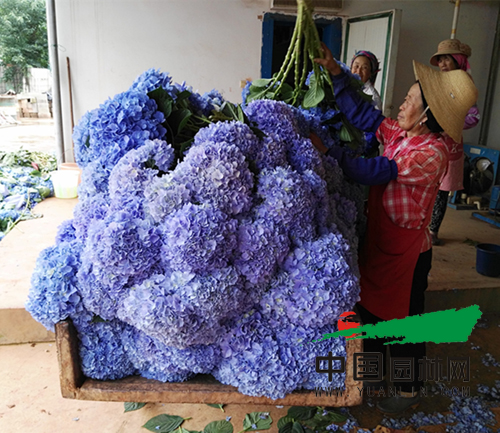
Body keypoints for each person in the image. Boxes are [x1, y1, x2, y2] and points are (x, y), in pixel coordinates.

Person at [313, 44, 477, 414]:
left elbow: (373, 171)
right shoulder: (402, 135)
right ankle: (367, 379)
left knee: (406, 328)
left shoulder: (430, 152)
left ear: (427, 115)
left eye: (408, 100)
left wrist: (328, 152)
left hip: (407, 257)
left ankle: (408, 391)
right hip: (382, 245)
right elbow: (365, 116)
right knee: (369, 316)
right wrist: (337, 74)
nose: (401, 105)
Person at [428, 39, 480, 245]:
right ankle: (422, 227)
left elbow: (473, 117)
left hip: (450, 144)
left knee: (442, 190)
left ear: (458, 60)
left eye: (446, 59)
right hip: (432, 142)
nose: (442, 64)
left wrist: (451, 123)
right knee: (428, 187)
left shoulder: (466, 84)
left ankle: (433, 230)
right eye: (440, 60)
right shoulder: (436, 81)